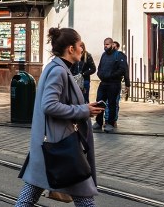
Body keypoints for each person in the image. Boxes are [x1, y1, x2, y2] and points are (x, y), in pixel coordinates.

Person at [15, 26, 104, 207]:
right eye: (80, 45)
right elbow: (49, 105)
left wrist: (84, 108)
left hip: (50, 145)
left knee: (28, 198)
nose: (82, 49)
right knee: (85, 199)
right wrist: (83, 110)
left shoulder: (54, 67)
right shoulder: (58, 71)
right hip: (62, 147)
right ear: (71, 49)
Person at [93, 38, 129, 133]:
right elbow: (100, 67)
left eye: (107, 44)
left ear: (112, 44)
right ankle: (99, 122)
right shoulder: (104, 55)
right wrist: (100, 74)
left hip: (114, 83)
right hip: (103, 83)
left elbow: (123, 69)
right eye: (104, 44)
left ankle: (110, 123)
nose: (105, 46)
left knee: (112, 104)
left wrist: (112, 76)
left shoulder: (119, 55)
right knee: (99, 102)